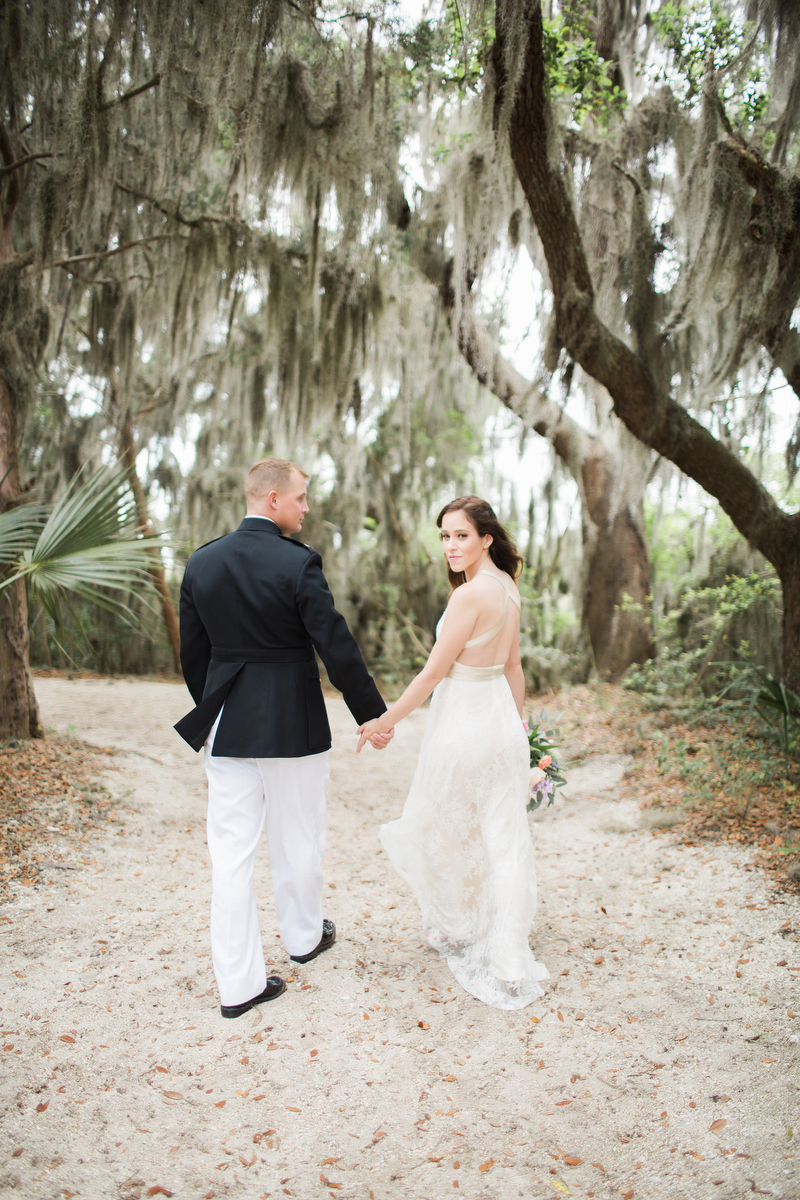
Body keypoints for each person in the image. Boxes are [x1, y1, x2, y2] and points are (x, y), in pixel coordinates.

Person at [175, 459, 391, 1019]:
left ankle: (238, 986)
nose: (306, 507)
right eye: (301, 497)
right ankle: (302, 939)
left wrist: (216, 703)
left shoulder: (202, 561)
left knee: (229, 856)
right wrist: (370, 713)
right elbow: (334, 643)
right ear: (272, 499)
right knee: (298, 838)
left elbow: (193, 656)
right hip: (292, 720)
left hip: (226, 724)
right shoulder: (298, 564)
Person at [357, 496, 549, 1010]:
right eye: (444, 536)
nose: (451, 546)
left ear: (487, 538)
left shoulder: (469, 597)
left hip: (465, 725)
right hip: (500, 726)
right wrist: (517, 729)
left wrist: (384, 721)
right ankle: (507, 958)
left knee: (451, 830)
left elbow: (432, 673)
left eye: (461, 535)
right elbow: (513, 667)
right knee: (503, 838)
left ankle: (462, 928)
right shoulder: (507, 589)